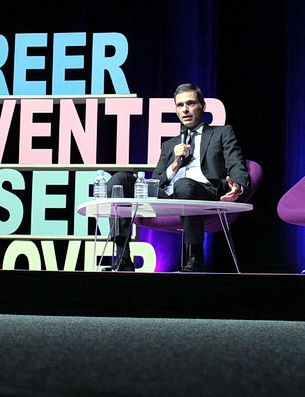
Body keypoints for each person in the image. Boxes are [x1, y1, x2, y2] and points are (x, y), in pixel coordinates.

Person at [105, 83, 250, 272]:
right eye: (180, 105)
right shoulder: (170, 145)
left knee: (184, 184)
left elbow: (236, 163)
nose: (185, 110)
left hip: (203, 193)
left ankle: (194, 256)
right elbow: (157, 180)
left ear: (203, 106)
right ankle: (123, 256)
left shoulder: (221, 133)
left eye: (190, 103)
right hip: (170, 194)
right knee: (119, 180)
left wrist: (237, 186)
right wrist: (174, 164)